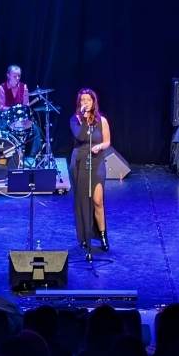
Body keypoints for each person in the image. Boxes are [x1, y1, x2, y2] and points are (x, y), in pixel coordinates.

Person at [69, 88, 112, 254]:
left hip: (97, 161)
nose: (85, 102)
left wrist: (99, 146)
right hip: (79, 161)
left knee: (97, 200)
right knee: (82, 201)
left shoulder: (102, 120)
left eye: (88, 100)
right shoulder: (75, 120)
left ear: (94, 102)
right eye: (82, 100)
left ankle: (102, 235)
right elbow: (80, 137)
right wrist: (84, 119)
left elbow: (107, 141)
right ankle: (84, 237)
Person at [0, 64, 43, 161]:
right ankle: (3, 157)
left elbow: (26, 105)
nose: (17, 78)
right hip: (7, 119)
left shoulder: (24, 87)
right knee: (0, 129)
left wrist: (23, 109)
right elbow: (1, 107)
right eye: (15, 76)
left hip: (21, 119)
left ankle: (32, 157)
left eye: (19, 76)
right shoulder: (2, 88)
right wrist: (15, 109)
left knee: (35, 130)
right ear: (8, 75)